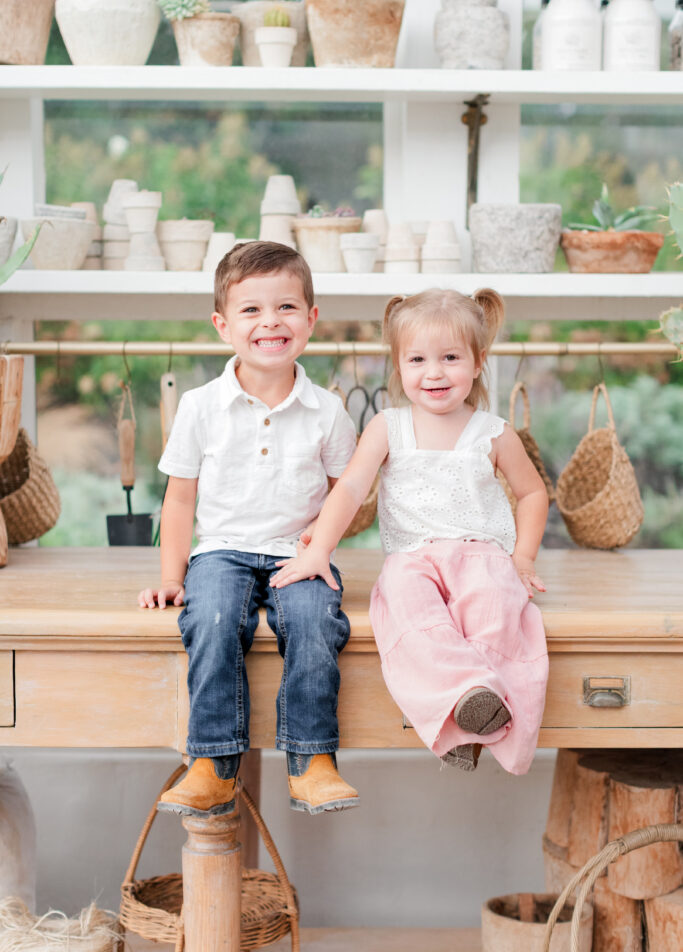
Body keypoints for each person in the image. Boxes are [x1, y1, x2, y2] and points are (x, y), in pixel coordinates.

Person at [272, 288, 549, 775]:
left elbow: (532, 494)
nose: (434, 372)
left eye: (450, 358)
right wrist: (320, 550)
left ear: (478, 362)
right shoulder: (387, 426)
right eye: (417, 359)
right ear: (399, 366)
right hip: (411, 559)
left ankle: (470, 718)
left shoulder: (493, 431)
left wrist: (522, 558)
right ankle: (464, 702)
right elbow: (351, 489)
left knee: (495, 610)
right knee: (408, 615)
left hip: (480, 553)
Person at [138, 241, 359, 816]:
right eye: (251, 310)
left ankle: (312, 761)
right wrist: (171, 575)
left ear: (311, 319)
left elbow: (349, 496)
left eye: (286, 307)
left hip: (300, 553)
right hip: (221, 552)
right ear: (222, 325)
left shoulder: (329, 411)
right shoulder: (199, 405)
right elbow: (180, 496)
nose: (270, 322)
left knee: (314, 621)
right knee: (210, 620)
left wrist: (321, 547)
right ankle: (212, 762)